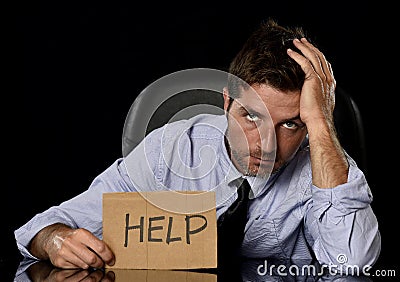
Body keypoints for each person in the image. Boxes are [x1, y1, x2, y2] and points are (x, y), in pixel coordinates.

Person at [14, 18, 381, 271]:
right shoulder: (172, 150)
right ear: (225, 102)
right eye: (251, 117)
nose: (266, 143)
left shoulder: (324, 164)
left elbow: (354, 264)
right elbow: (46, 226)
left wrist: (320, 124)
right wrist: (53, 240)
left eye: (290, 124)